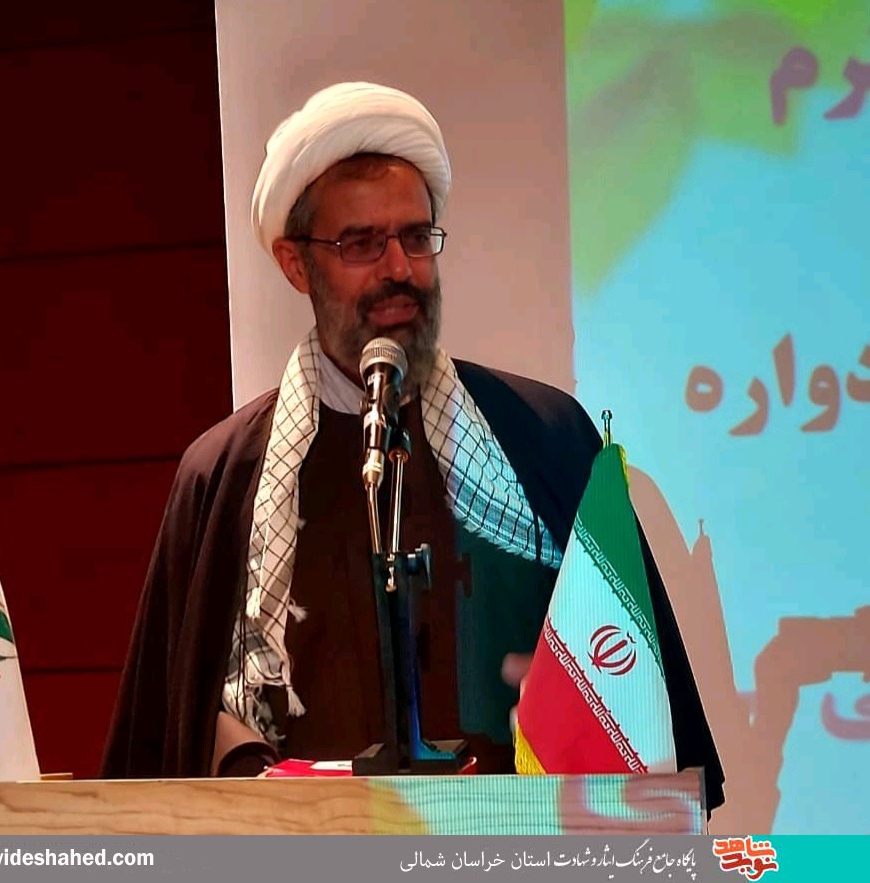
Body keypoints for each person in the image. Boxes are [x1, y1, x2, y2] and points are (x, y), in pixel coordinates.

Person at [102, 82, 724, 811]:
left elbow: (635, 713)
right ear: (295, 264)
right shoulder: (225, 475)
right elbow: (173, 733)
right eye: (361, 243)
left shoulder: (543, 439)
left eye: (416, 237)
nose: (399, 268)